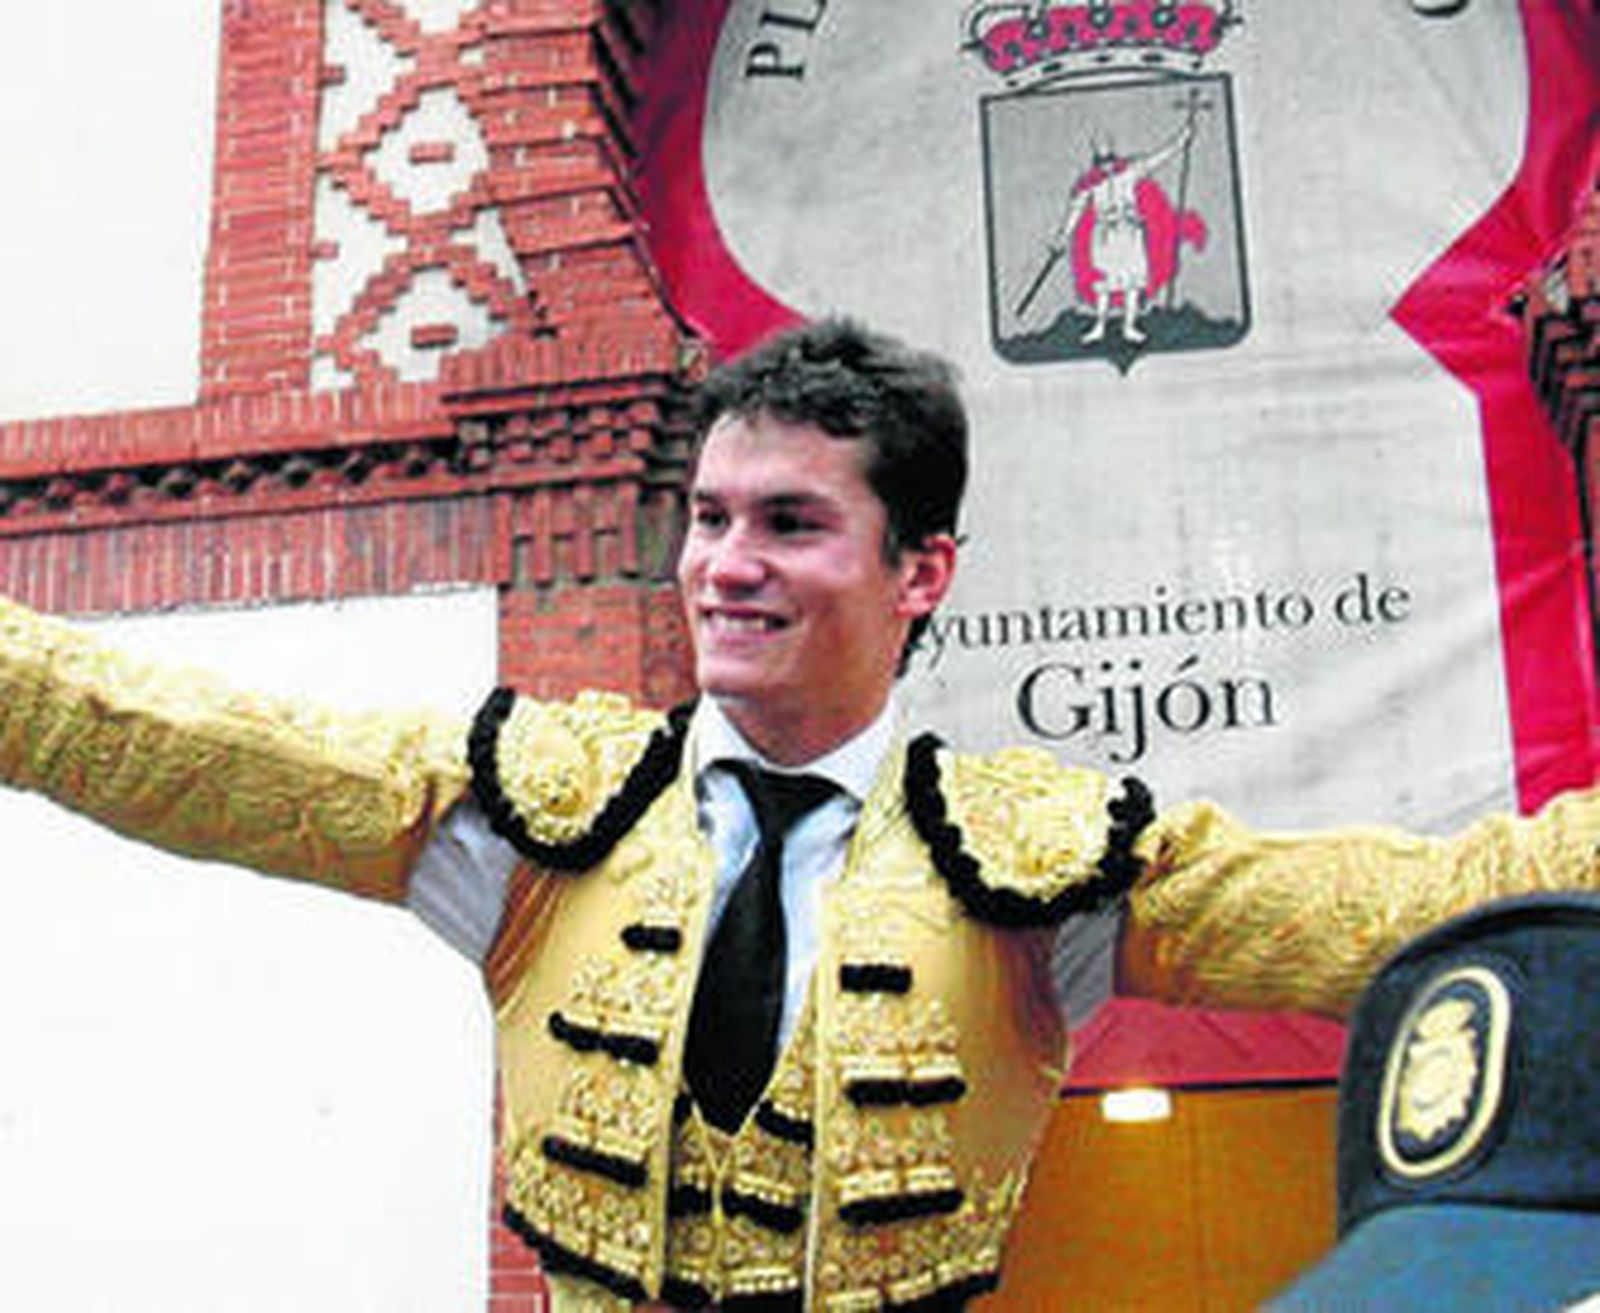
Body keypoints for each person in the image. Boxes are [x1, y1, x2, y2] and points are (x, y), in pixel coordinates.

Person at [1, 317, 1598, 1310]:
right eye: (707, 518)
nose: (724, 564)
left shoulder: (1037, 869)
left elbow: (1433, 897)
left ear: (922, 571)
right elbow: (147, 728)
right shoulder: (530, 823)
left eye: (789, 522)